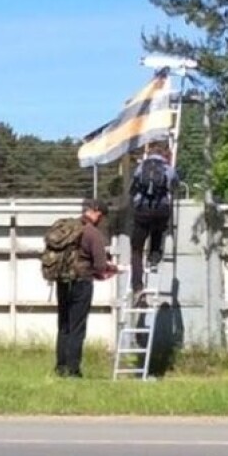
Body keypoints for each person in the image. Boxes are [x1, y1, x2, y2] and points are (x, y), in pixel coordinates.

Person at [55, 198, 116, 378]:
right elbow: (99, 265)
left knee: (64, 325)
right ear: (96, 212)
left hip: (62, 280)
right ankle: (74, 370)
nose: (101, 220)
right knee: (77, 327)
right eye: (101, 216)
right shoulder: (92, 233)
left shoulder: (67, 229)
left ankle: (61, 367)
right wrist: (110, 269)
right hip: (81, 283)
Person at [129, 141, 177, 296]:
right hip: (161, 209)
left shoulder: (141, 167)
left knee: (136, 249)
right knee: (158, 231)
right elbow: (175, 183)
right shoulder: (167, 168)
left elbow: (133, 187)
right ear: (164, 155)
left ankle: (137, 286)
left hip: (142, 209)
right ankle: (154, 258)